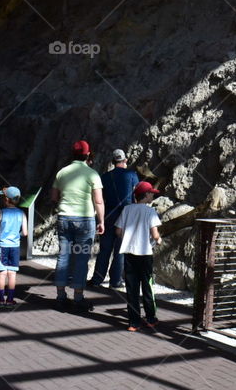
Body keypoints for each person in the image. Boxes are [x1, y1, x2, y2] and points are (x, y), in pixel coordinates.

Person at [51, 140, 105, 311]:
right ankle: (78, 298)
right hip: (84, 219)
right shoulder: (92, 174)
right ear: (88, 154)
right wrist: (101, 220)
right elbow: (98, 200)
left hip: (64, 218)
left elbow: (54, 197)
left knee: (64, 256)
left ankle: (60, 296)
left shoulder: (62, 172)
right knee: (81, 258)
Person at [115, 181, 162, 332]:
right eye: (151, 193)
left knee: (132, 288)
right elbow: (155, 234)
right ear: (146, 194)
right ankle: (150, 319)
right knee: (147, 286)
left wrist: (128, 238)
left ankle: (133, 322)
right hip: (145, 253)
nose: (153, 196)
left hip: (129, 253)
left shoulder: (127, 209)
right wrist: (159, 240)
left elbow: (118, 231)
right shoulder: (150, 211)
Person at [89, 148, 139, 290]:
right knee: (120, 250)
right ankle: (115, 281)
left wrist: (100, 220)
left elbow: (101, 199)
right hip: (126, 216)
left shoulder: (105, 177)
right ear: (125, 160)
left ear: (112, 161)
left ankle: (97, 279)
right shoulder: (132, 175)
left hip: (109, 214)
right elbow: (136, 197)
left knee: (104, 249)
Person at [0, 186, 27, 307]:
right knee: (12, 274)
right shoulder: (22, 214)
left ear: (6, 199)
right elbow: (25, 233)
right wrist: (16, 234)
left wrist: (3, 232)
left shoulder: (0, 213)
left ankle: (1, 299)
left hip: (3, 246)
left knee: (2, 273)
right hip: (15, 247)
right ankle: (10, 299)